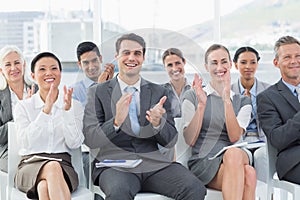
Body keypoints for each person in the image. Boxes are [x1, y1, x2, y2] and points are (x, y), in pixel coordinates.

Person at [83, 33, 206, 200]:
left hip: (154, 165)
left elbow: (171, 140)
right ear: (116, 56)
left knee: (195, 188)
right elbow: (91, 139)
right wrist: (116, 122)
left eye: (137, 53)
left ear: (143, 58)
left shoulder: (159, 92)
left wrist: (158, 124)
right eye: (126, 53)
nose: (131, 58)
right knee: (119, 193)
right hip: (115, 167)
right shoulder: (97, 92)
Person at [182, 44, 257, 200]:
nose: (219, 67)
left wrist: (226, 100)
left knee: (234, 153)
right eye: (214, 63)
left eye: (224, 62)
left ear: (230, 64)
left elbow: (235, 137)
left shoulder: (243, 101)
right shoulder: (192, 96)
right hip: (204, 160)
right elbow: (190, 140)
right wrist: (201, 106)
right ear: (206, 67)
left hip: (235, 154)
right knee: (249, 174)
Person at [13, 52, 84, 199]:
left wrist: (67, 112)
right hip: (29, 165)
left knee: (44, 186)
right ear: (33, 76)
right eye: (42, 69)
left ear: (60, 73)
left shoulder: (74, 105)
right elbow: (25, 142)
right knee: (52, 167)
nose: (49, 73)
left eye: (53, 68)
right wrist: (46, 111)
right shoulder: (23, 106)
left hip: (64, 165)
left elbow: (75, 143)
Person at [257, 35, 300, 184]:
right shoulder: (267, 97)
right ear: (276, 62)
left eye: (298, 56)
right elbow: (277, 139)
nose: (294, 61)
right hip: (294, 161)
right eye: (287, 57)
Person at [231, 46, 270, 182]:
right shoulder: (228, 92)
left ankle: (266, 196)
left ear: (257, 64)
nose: (248, 66)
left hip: (263, 141)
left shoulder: (269, 90)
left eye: (253, 62)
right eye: (243, 62)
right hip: (239, 142)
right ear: (235, 65)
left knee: (261, 157)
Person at [0, 45, 37, 173]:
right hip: (9, 150)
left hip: (38, 147)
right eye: (8, 65)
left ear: (24, 64)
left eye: (17, 63)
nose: (13, 68)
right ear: (1, 70)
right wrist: (21, 113)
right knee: (29, 172)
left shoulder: (37, 89)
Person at [70, 41, 114, 107]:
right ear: (80, 64)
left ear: (100, 59)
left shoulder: (114, 85)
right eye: (86, 63)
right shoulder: (74, 91)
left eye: (94, 60)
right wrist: (101, 88)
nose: (91, 67)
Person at [162, 48, 191, 118]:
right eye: (170, 65)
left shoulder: (196, 89)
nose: (174, 68)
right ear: (164, 67)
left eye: (177, 63)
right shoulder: (160, 92)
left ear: (184, 62)